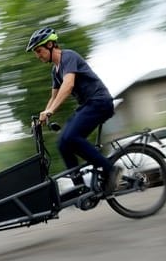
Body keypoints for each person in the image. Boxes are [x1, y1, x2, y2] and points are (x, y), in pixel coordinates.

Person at [26, 26, 122, 195]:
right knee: (63, 143)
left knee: (70, 136)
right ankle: (80, 187)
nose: (37, 56)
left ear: (50, 45)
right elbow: (53, 97)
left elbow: (68, 85)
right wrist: (43, 116)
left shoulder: (68, 57)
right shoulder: (55, 71)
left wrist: (50, 112)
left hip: (99, 102)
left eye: (39, 51)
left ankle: (111, 169)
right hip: (88, 106)